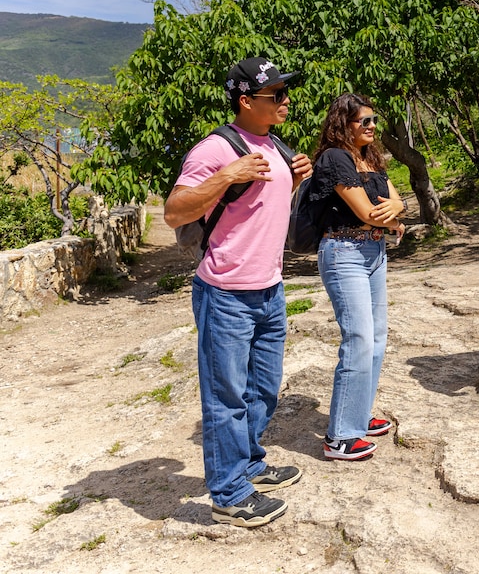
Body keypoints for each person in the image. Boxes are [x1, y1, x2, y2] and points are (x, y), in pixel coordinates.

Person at [164, 57, 312, 527]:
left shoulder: (276, 145)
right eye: (277, 96)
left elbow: (261, 211)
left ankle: (248, 464)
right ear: (246, 101)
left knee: (263, 390)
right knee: (226, 397)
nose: (286, 102)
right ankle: (229, 494)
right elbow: (173, 212)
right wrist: (228, 175)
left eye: (287, 94)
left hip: (269, 288)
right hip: (225, 292)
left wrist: (297, 180)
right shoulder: (213, 149)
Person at [305, 94, 407, 461]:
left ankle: (359, 415)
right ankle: (340, 437)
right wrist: (393, 213)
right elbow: (369, 212)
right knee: (359, 338)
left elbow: (397, 202)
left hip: (374, 253)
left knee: (377, 338)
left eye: (373, 120)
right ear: (342, 124)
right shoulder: (335, 158)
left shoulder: (371, 159)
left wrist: (398, 209)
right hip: (344, 252)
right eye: (363, 121)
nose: (372, 126)